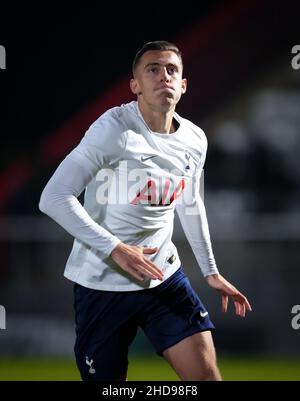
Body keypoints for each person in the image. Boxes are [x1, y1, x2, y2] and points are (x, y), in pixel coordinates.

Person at [39, 40, 252, 381]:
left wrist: (210, 271)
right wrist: (117, 249)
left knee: (207, 378)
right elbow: (53, 197)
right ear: (135, 85)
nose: (163, 76)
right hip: (101, 284)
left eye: (172, 70)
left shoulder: (195, 139)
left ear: (182, 86)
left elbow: (190, 202)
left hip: (163, 278)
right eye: (152, 69)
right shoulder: (114, 130)